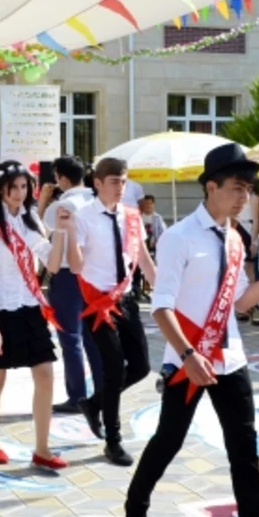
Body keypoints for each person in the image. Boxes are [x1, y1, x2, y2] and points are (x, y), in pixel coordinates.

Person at [126, 144, 259, 517]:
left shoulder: (235, 239)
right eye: (236, 188)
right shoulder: (179, 237)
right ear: (211, 187)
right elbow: (161, 304)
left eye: (248, 189)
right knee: (168, 439)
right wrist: (188, 353)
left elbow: (242, 305)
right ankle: (137, 503)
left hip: (231, 360)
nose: (244, 196)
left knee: (243, 449)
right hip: (188, 359)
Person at [0, 160, 71, 469]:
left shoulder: (30, 220)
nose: (19, 193)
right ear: (1, 190)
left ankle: (42, 448)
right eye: (13, 187)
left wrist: (62, 232)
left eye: (23, 186)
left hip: (30, 307)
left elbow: (52, 264)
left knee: (45, 375)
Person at [68, 157, 157, 467]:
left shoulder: (131, 216)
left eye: (124, 181)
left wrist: (162, 290)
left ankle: (94, 403)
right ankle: (113, 440)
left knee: (142, 366)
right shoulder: (82, 217)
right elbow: (76, 265)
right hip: (97, 303)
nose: (121, 187)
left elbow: (142, 258)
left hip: (127, 299)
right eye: (115, 182)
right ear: (98, 183)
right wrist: (66, 236)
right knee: (113, 368)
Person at [42, 157, 105, 417]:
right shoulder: (96, 199)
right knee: (93, 338)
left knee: (70, 337)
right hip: (94, 275)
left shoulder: (64, 204)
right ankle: (102, 390)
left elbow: (42, 226)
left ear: (63, 179)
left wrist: (44, 198)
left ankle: (77, 395)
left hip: (69, 274)